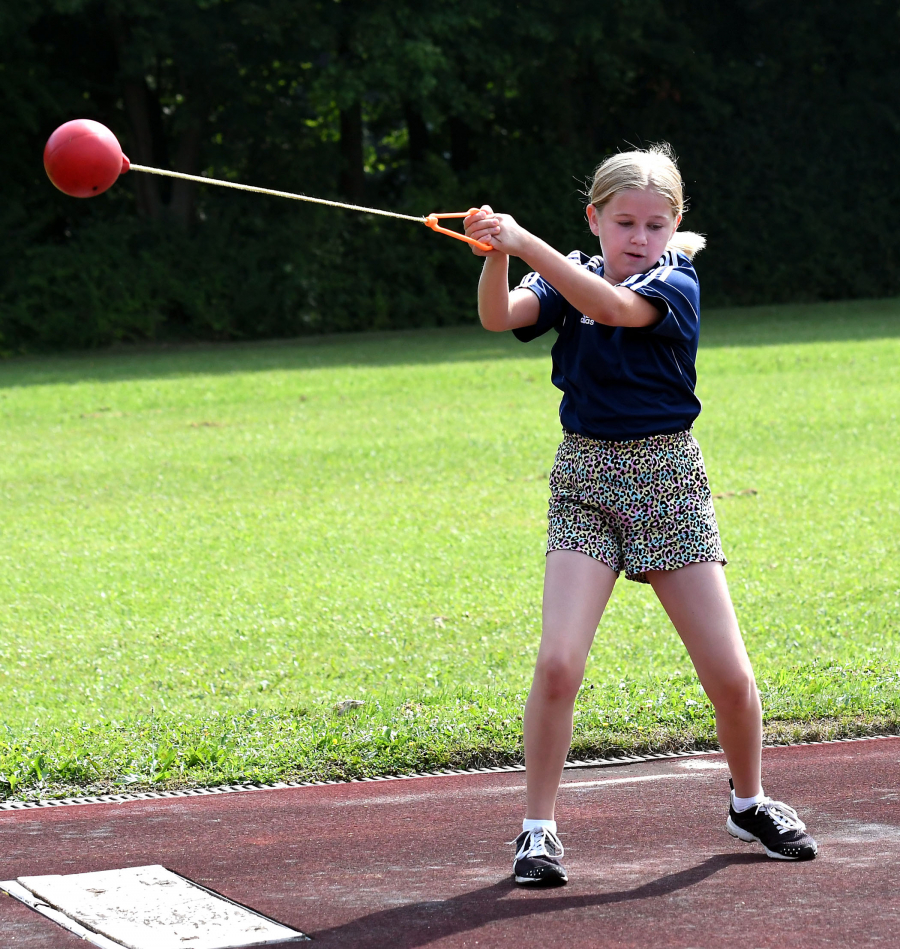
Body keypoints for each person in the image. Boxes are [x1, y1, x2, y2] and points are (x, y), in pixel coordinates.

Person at [464, 144, 817, 886]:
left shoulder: (675, 282)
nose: (638, 236)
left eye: (654, 224)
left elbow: (613, 311)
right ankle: (536, 830)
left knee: (728, 674)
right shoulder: (572, 271)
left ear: (674, 225)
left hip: (667, 479)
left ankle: (747, 800)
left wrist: (525, 242)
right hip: (585, 476)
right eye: (623, 221)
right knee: (559, 661)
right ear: (593, 219)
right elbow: (500, 317)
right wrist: (494, 254)